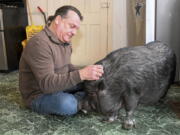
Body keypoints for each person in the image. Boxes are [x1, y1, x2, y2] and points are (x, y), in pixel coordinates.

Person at [19, 5, 104, 115]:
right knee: (66, 104)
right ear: (58, 20)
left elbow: (67, 66)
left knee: (92, 82)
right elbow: (47, 84)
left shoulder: (65, 41)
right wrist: (81, 75)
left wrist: (86, 74)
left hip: (59, 85)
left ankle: (82, 99)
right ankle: (82, 100)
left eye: (76, 29)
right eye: (72, 26)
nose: (74, 32)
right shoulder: (39, 44)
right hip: (39, 94)